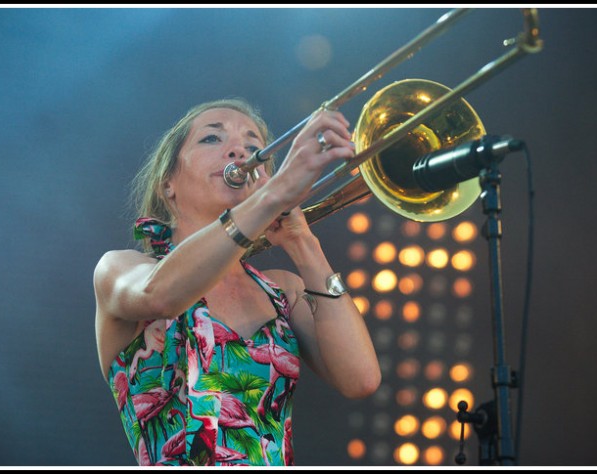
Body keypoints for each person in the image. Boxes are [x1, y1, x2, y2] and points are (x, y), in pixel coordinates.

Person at [93, 98, 381, 466]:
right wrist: (274, 195)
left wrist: (303, 243)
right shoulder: (120, 269)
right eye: (212, 139)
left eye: (253, 147)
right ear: (168, 183)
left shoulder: (284, 291)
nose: (239, 151)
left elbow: (360, 379)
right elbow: (161, 294)